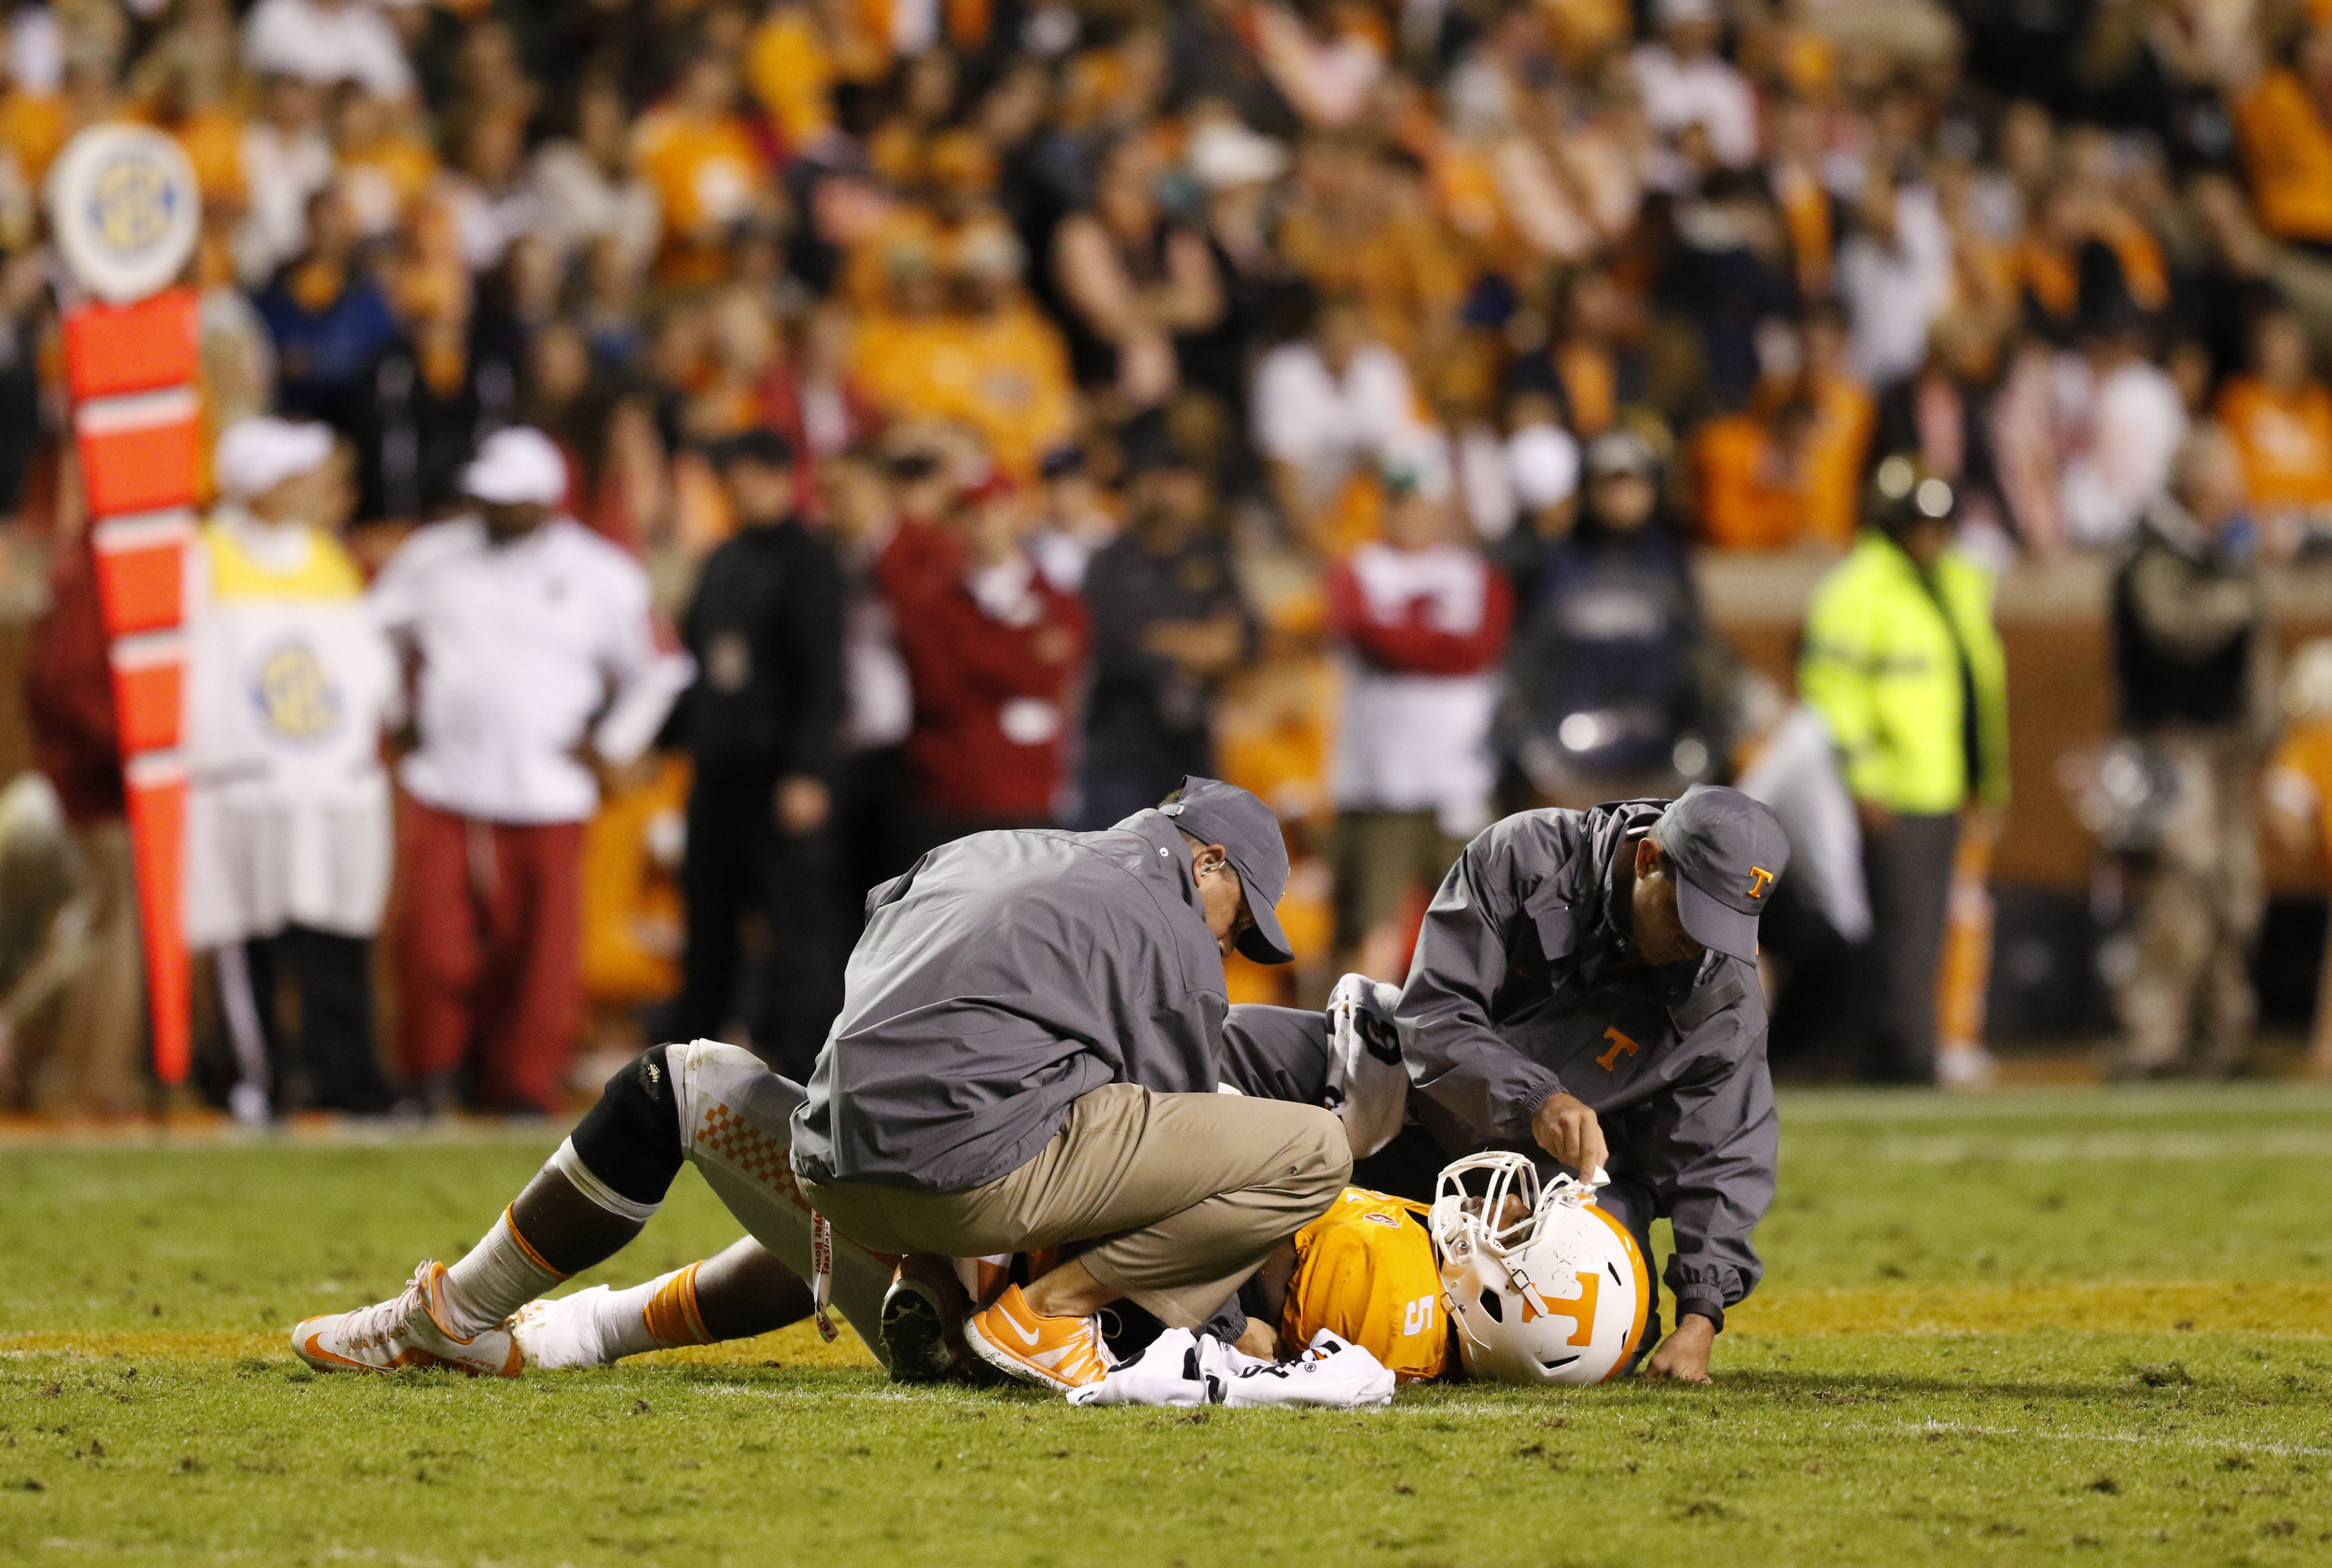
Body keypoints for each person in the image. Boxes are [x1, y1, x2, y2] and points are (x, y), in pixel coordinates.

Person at [792, 777, 1351, 1390]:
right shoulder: (1172, 926)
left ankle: (932, 1280)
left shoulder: (987, 849)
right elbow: (1170, 1182)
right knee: (1317, 1149)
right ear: (1208, 863)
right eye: (1238, 922)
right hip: (966, 1189)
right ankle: (1044, 1316)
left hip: (828, 1176)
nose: (1225, 945)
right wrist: (1224, 1327)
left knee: (1036, 1073)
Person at [1349, 784, 1790, 1384]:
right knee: (1251, 1055)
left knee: (1603, 1343)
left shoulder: (1724, 995)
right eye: (1691, 914)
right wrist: (1535, 1099)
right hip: (1411, 1106)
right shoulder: (1526, 856)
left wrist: (1701, 1317)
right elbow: (1434, 1015)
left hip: (1564, 1185)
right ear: (1647, 859)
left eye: (1725, 925)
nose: (1701, 943)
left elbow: (1721, 1156)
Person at [371, 427, 692, 1114]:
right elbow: (375, 632)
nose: (492, 512)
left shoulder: (600, 572)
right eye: (486, 498)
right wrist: (397, 707)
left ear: (547, 503)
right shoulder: (434, 557)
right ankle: (429, 1074)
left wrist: (614, 743)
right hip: (445, 783)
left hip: (548, 790)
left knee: (540, 956)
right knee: (430, 944)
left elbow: (660, 669)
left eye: (509, 502)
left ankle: (518, 1083)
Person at [184, 418, 397, 1120]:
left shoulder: (328, 556)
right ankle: (259, 1083)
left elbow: (367, 668)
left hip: (329, 785)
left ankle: (350, 1083)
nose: (323, 489)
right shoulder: (203, 556)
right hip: (244, 786)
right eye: (305, 476)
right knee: (251, 942)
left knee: (336, 937)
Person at [1799, 456, 2010, 1084]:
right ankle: (1902, 1059)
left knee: (1926, 928)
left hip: (1942, 782)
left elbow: (1976, 689)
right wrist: (1863, 778)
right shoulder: (1856, 589)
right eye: (1919, 523)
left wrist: (1987, 779)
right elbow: (1831, 693)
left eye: (1942, 524)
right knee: (1899, 932)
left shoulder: (1955, 584)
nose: (1933, 536)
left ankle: (1903, 1051)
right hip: (1892, 785)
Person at [671, 430, 847, 1080]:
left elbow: (824, 675)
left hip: (779, 774)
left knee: (795, 927)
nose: (737, 487)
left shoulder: (809, 562)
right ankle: (692, 1060)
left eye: (748, 473)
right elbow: (695, 667)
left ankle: (803, 1063)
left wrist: (808, 768)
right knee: (708, 919)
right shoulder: (722, 559)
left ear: (781, 477)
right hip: (719, 773)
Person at [2105, 425, 2274, 1079]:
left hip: (2229, 746)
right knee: (2179, 887)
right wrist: (2237, 586)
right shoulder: (2154, 551)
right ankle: (2152, 1035)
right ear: (2196, 485)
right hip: (2171, 742)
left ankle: (2223, 1030)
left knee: (2235, 891)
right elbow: (2175, 632)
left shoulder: (2212, 550)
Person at [1324, 462, 1512, 978]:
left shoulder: (1476, 573)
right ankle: (1351, 1052)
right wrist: (1438, 645)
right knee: (1367, 929)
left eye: (1420, 501)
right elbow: (1370, 634)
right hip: (1379, 778)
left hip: (1461, 774)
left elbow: (1482, 645)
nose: (1410, 514)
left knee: (1481, 927)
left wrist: (1407, 640)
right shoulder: (1357, 568)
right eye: (1400, 501)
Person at [1077, 420, 1250, 829]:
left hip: (1191, 752)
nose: (1170, 493)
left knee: (1189, 881)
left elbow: (1246, 638)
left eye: (1182, 480)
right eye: (1160, 479)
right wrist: (1201, 643)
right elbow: (1114, 645)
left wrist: (1164, 639)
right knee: (1113, 877)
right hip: (1121, 752)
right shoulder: (1110, 562)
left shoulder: (1212, 556)